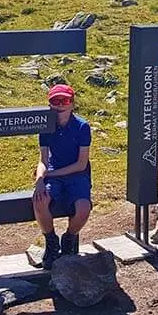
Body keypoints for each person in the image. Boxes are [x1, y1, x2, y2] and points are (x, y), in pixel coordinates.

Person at [32, 83, 92, 268]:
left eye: (64, 100)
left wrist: (50, 173)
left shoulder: (82, 127)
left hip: (77, 174)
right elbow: (43, 160)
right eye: (55, 101)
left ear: (72, 104)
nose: (60, 105)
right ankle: (51, 242)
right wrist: (39, 180)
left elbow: (81, 164)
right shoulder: (46, 126)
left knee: (83, 207)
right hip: (54, 173)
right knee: (40, 200)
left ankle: (69, 238)